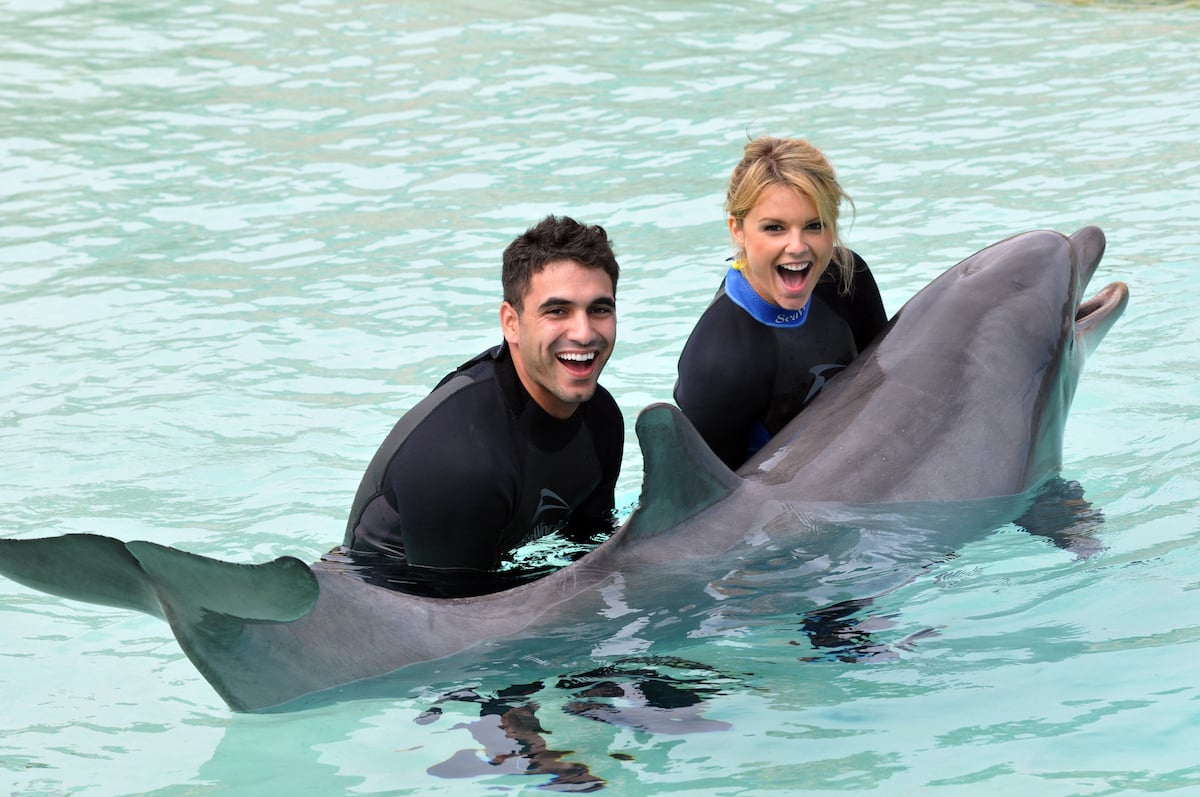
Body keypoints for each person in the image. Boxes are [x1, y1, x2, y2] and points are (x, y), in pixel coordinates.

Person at [338, 215, 623, 594]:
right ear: (512, 323)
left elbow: (594, 558)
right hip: (382, 606)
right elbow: (457, 624)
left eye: (599, 309)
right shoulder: (462, 460)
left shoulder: (601, 420)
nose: (584, 333)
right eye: (557, 311)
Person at [674, 137, 888, 471]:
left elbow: (885, 389)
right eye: (774, 228)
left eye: (814, 226)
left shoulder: (847, 279)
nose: (797, 246)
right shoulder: (718, 362)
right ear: (738, 229)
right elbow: (706, 509)